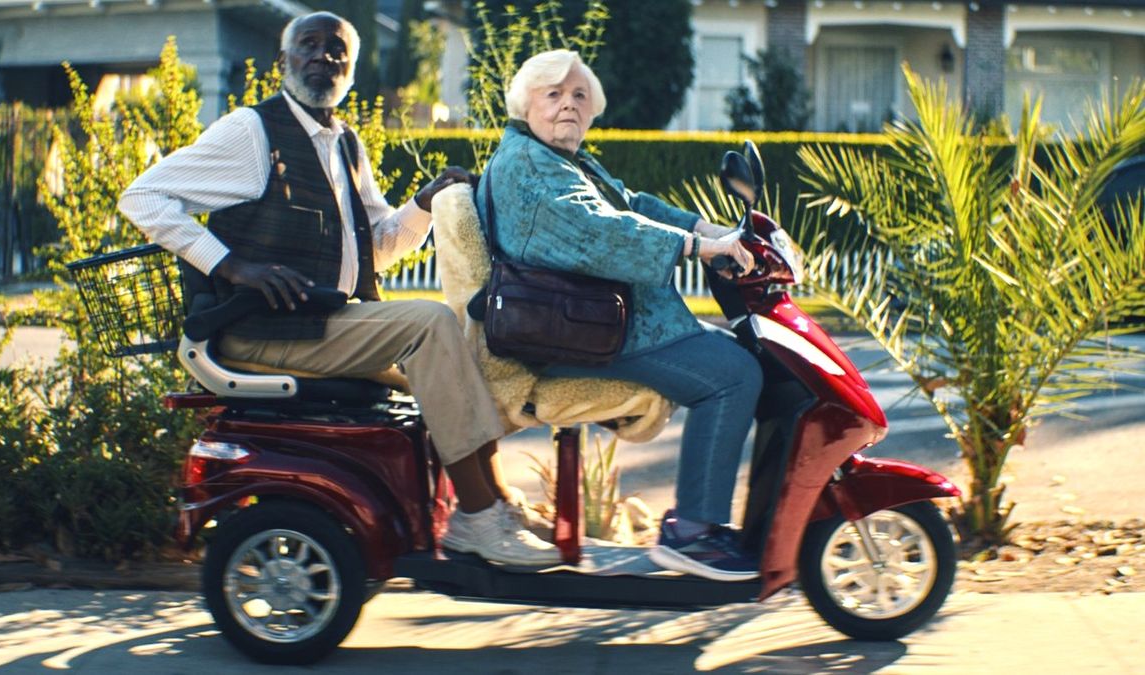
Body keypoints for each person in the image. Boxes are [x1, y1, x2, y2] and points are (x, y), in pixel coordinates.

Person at [118, 11, 557, 566]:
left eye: (337, 50)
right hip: (264, 329)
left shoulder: (344, 142)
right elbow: (143, 198)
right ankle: (477, 519)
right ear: (283, 62)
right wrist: (231, 266)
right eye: (309, 45)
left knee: (463, 356)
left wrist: (423, 203)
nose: (324, 57)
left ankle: (493, 504)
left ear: (350, 70)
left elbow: (376, 246)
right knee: (430, 324)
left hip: (320, 323)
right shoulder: (250, 132)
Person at [479, 49, 764, 581]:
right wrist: (694, 249)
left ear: (591, 112)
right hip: (572, 333)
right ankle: (694, 533)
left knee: (742, 353)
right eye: (553, 94)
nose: (567, 105)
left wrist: (709, 231)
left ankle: (705, 522)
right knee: (735, 374)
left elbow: (629, 203)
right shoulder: (527, 166)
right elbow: (596, 231)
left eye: (578, 96)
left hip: (597, 321)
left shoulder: (562, 159)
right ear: (526, 104)